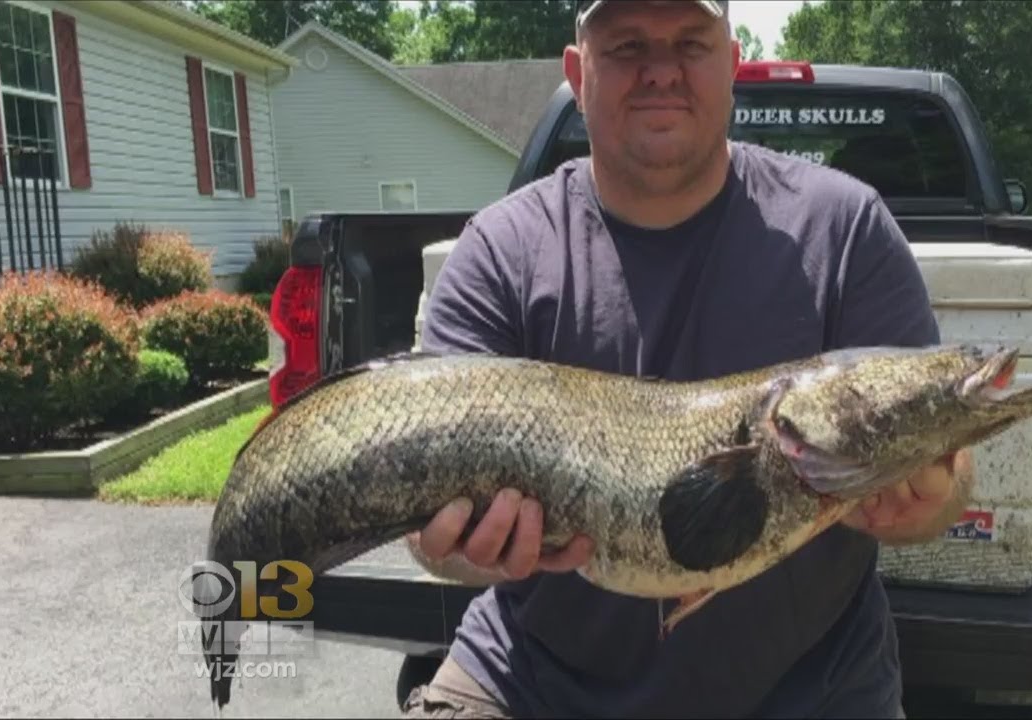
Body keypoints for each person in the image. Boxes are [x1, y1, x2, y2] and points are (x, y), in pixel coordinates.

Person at [401, 1, 971, 717]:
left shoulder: (845, 228)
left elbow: (944, 480)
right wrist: (455, 544)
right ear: (579, 73)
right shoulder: (501, 250)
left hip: (811, 689)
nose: (661, 72)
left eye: (690, 44)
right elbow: (428, 531)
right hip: (532, 680)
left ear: (733, 64)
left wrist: (927, 498)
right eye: (628, 46)